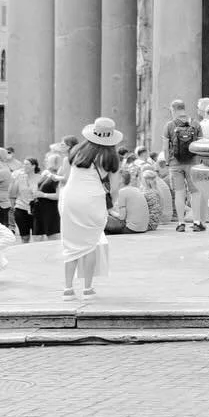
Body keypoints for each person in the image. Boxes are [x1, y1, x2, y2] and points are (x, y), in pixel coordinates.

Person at [59, 118, 124, 298]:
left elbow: (66, 177)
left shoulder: (76, 150)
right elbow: (115, 187)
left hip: (70, 198)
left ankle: (68, 289)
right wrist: (113, 204)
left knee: (70, 244)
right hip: (92, 200)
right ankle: (87, 288)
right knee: (90, 244)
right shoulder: (111, 157)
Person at [163, 99, 203, 231]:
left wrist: (168, 161)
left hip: (176, 164)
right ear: (184, 109)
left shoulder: (169, 125)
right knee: (195, 193)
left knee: (179, 193)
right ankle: (197, 222)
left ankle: (181, 223)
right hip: (193, 163)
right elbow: (200, 145)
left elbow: (165, 147)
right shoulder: (195, 124)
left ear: (173, 110)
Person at [105, 166, 152, 235]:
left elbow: (122, 217)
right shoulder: (136, 189)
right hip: (143, 228)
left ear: (121, 179)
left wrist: (110, 211)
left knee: (101, 216)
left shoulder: (122, 192)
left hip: (130, 228)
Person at [32, 152, 63, 239]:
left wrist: (44, 195)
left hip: (51, 210)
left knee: (53, 237)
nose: (45, 161)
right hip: (40, 208)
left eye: (47, 160)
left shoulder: (57, 177)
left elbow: (58, 195)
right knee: (37, 237)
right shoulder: (45, 174)